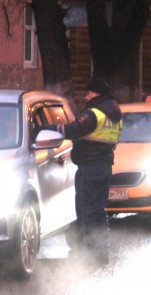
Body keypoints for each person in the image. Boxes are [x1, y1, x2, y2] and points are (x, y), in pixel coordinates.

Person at [46, 78, 122, 263]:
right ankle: (100, 252)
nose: (86, 97)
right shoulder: (114, 115)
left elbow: (72, 130)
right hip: (104, 167)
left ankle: (88, 253)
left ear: (96, 93)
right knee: (98, 210)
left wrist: (46, 128)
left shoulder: (94, 114)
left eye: (88, 93)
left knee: (86, 210)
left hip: (89, 167)